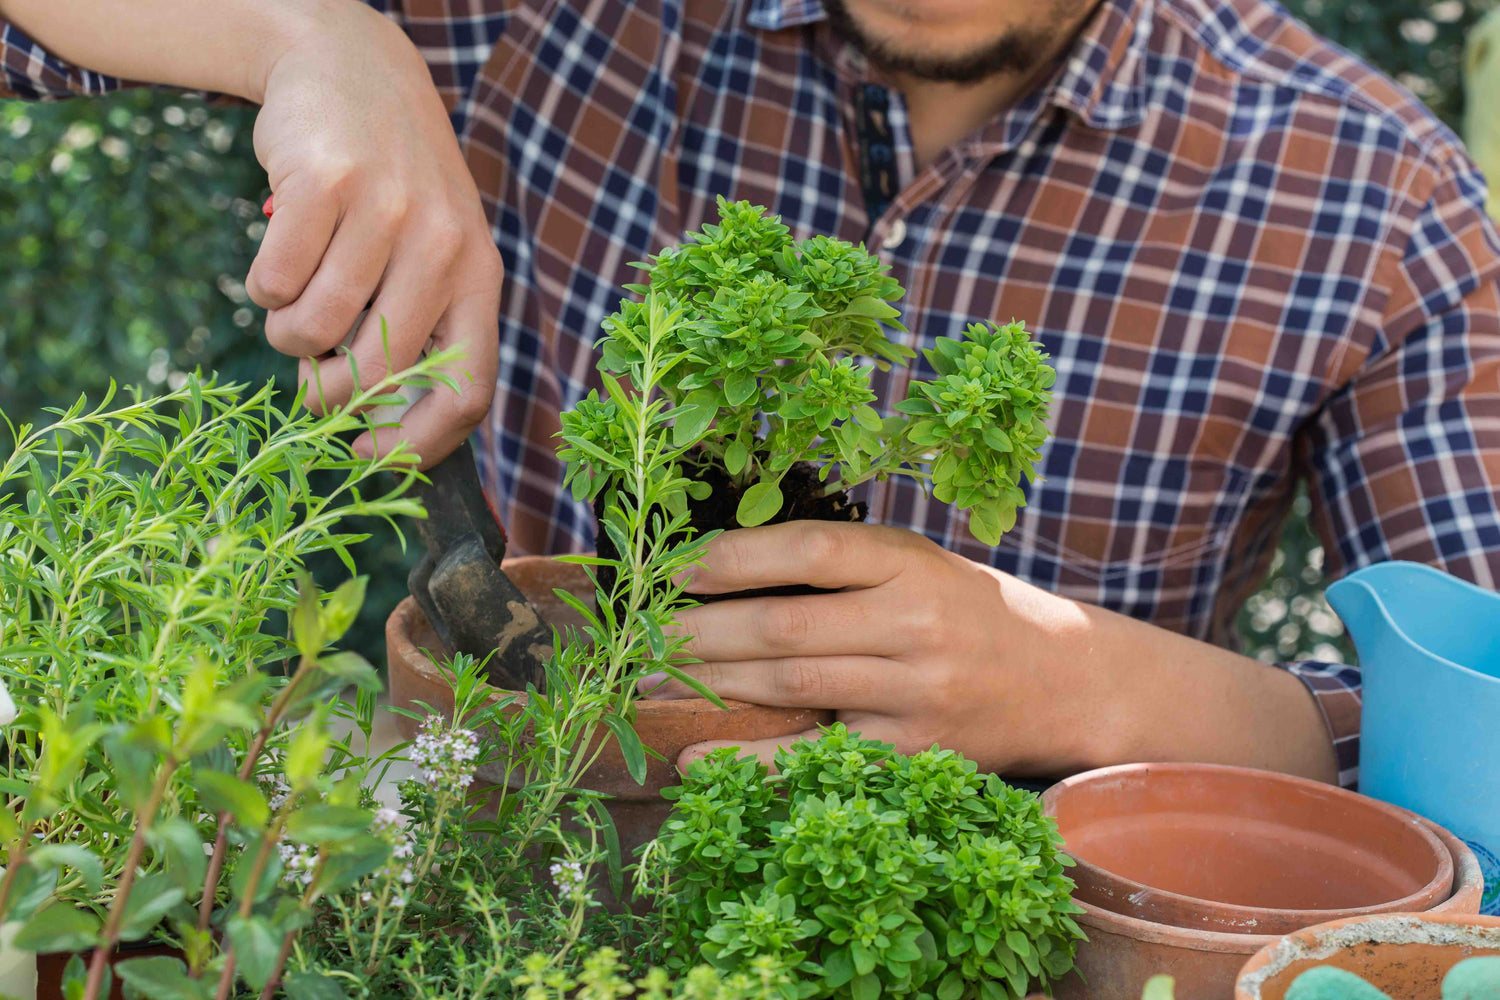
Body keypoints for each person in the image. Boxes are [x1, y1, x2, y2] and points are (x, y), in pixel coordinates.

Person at [2, 0, 1497, 790]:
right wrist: (311, 33)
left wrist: (1092, 684)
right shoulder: (562, 16)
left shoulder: (1376, 198)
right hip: (548, 826)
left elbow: (1480, 774)